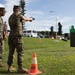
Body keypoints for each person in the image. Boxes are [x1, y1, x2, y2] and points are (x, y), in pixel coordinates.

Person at [7, 5, 34, 73]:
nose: (20, 11)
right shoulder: (18, 15)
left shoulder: (10, 17)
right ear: (18, 9)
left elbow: (20, 21)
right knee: (20, 52)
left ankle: (9, 67)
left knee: (11, 52)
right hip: (18, 37)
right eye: (20, 9)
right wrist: (31, 19)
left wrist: (27, 20)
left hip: (11, 36)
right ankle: (20, 68)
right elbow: (25, 19)